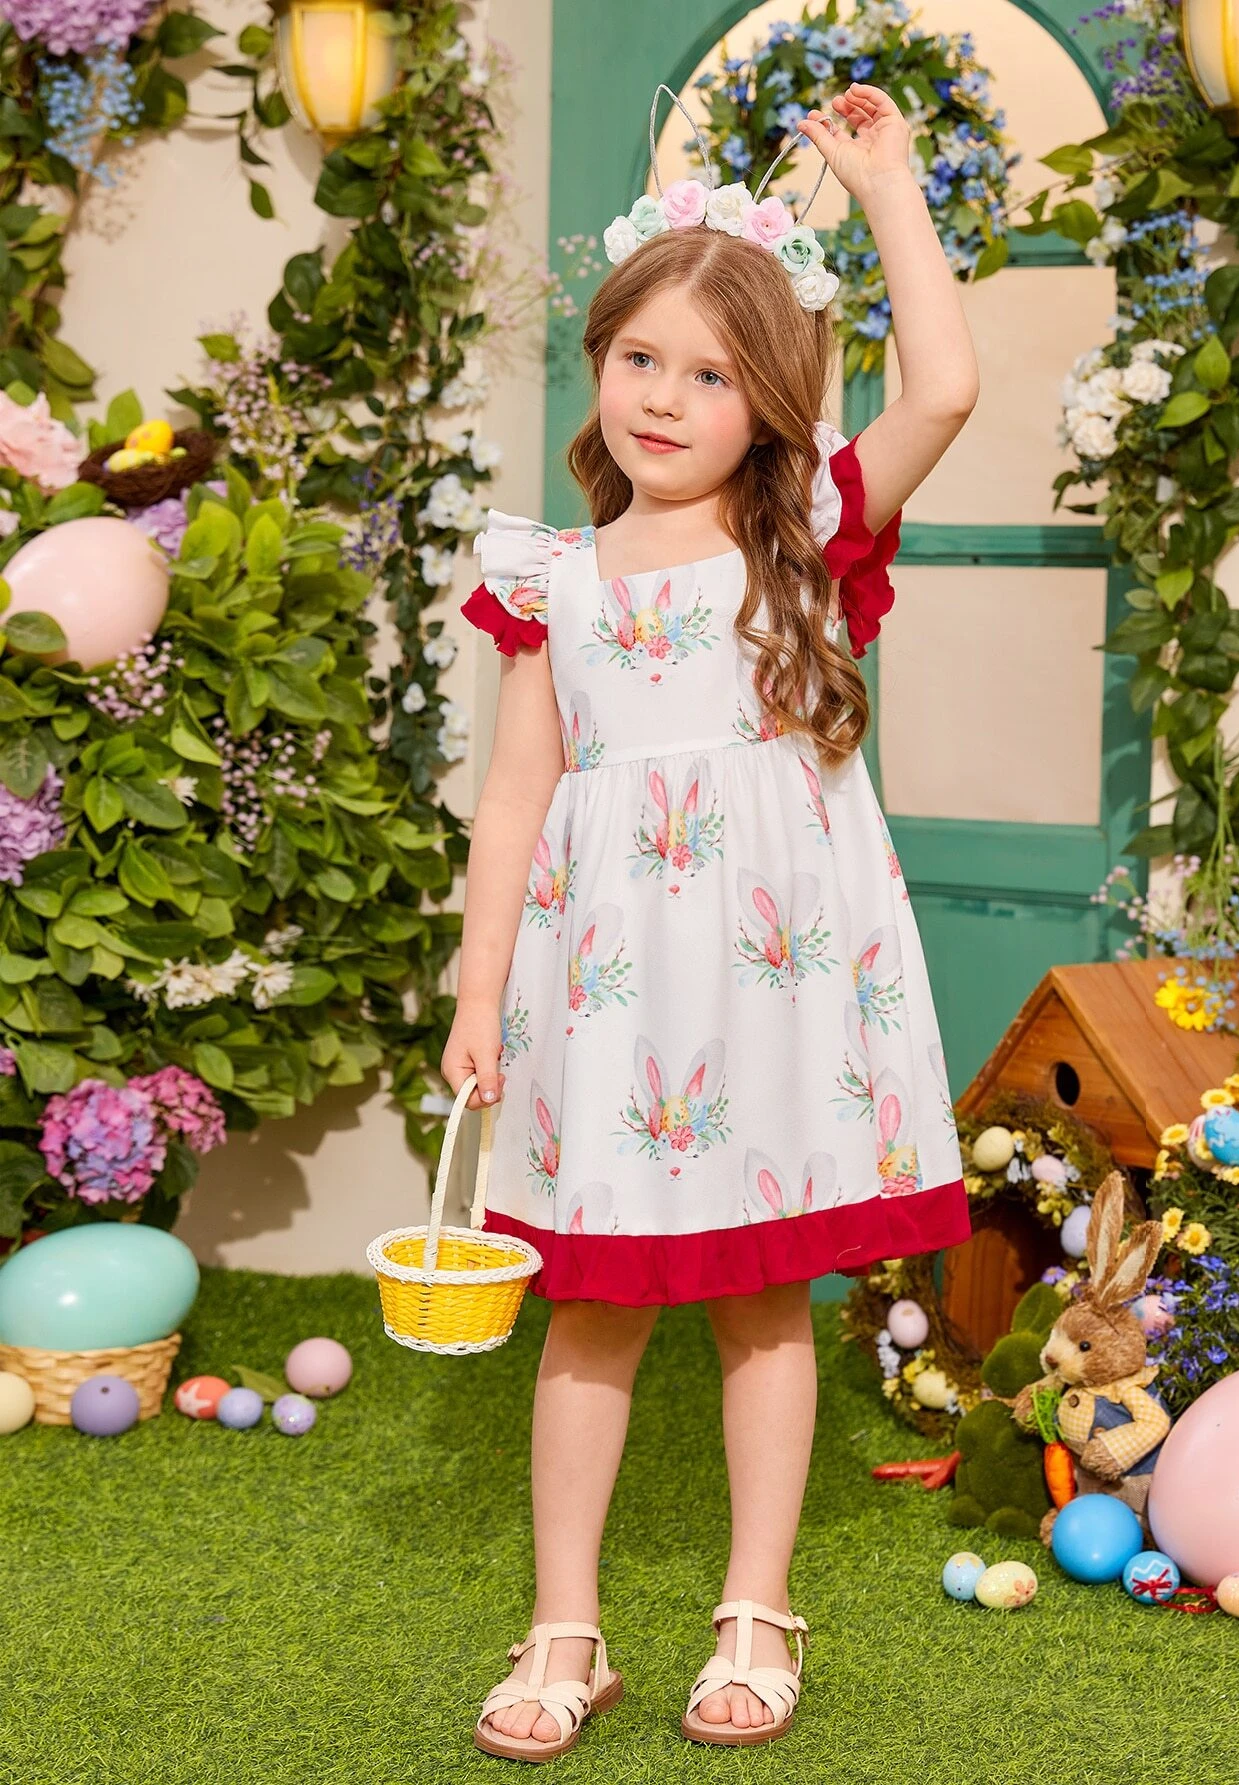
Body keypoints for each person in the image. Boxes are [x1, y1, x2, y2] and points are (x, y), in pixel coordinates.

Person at [441, 79, 979, 1763]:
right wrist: (477, 992)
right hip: (607, 994)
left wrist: (886, 185)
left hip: (766, 988)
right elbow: (515, 798)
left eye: (713, 372)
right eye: (640, 359)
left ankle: (758, 1607)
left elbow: (947, 387)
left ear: (773, 406)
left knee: (761, 1302)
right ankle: (566, 1625)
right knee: (591, 1308)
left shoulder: (806, 535)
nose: (666, 397)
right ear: (599, 364)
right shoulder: (552, 577)